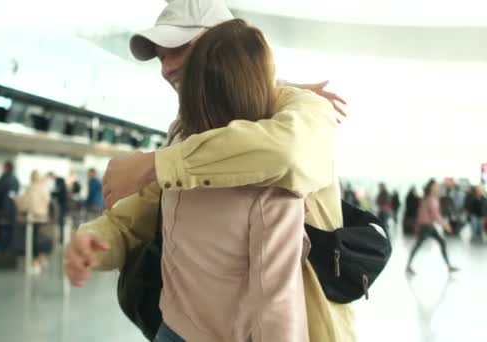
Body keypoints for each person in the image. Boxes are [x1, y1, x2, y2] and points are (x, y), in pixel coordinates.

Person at [66, 1, 354, 341]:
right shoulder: (185, 132)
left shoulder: (299, 111)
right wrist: (99, 237)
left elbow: (288, 152)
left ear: (223, 46)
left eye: (179, 48)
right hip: (180, 327)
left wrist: (155, 164)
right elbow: (143, 210)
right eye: (160, 56)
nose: (166, 67)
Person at [150, 19, 310, 341]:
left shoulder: (179, 141)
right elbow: (276, 305)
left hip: (177, 326)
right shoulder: (271, 185)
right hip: (198, 329)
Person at [406, 179, 459, 275]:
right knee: (419, 245)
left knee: (439, 242)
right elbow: (435, 215)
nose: (437, 187)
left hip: (428, 225)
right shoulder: (430, 199)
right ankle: (408, 266)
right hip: (426, 226)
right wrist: (445, 225)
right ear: (431, 188)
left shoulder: (427, 198)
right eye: (436, 186)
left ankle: (449, 266)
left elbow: (423, 213)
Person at [15, 170, 52, 275]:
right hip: (44, 218)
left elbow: (24, 203)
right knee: (42, 239)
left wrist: (16, 201)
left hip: (34, 219)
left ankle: (36, 264)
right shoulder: (44, 188)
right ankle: (42, 259)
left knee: (33, 241)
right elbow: (47, 202)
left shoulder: (31, 188)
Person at [48, 172, 69, 242]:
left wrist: (51, 193)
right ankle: (62, 237)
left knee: (61, 221)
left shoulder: (59, 181)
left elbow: (58, 192)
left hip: (63, 204)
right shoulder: (60, 181)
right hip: (63, 203)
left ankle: (62, 238)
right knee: (61, 221)